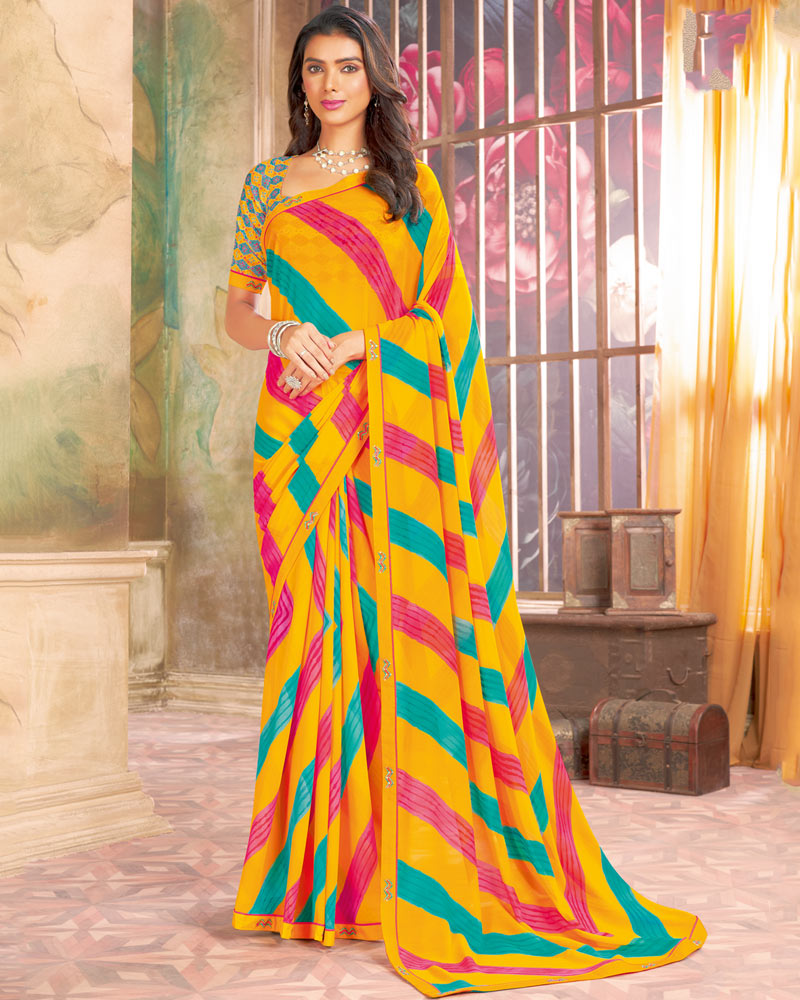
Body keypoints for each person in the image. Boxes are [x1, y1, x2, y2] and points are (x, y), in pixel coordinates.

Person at [224, 5, 706, 995]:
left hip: (385, 445)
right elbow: (237, 308)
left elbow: (445, 326)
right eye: (313, 69)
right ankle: (319, 881)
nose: (329, 85)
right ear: (298, 82)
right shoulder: (267, 185)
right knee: (315, 651)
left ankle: (417, 868)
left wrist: (359, 344)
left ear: (373, 78)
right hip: (297, 447)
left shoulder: (410, 185)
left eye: (345, 68)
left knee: (393, 643)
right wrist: (280, 335)